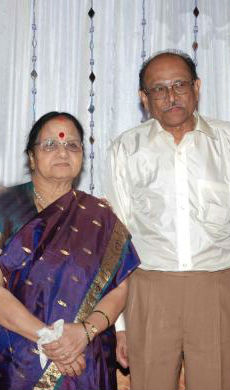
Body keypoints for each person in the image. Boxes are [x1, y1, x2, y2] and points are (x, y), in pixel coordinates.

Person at [106, 50, 230, 390]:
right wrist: (121, 324)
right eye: (158, 89)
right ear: (144, 98)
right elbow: (118, 236)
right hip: (149, 288)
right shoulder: (126, 149)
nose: (170, 96)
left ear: (197, 87)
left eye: (179, 85)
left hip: (218, 286)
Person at [0, 112, 140, 390]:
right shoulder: (6, 207)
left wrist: (84, 333)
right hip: (17, 358)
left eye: (72, 145)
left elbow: (121, 288)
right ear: (31, 157)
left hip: (85, 357)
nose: (62, 152)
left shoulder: (100, 216)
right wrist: (49, 339)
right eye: (50, 145)